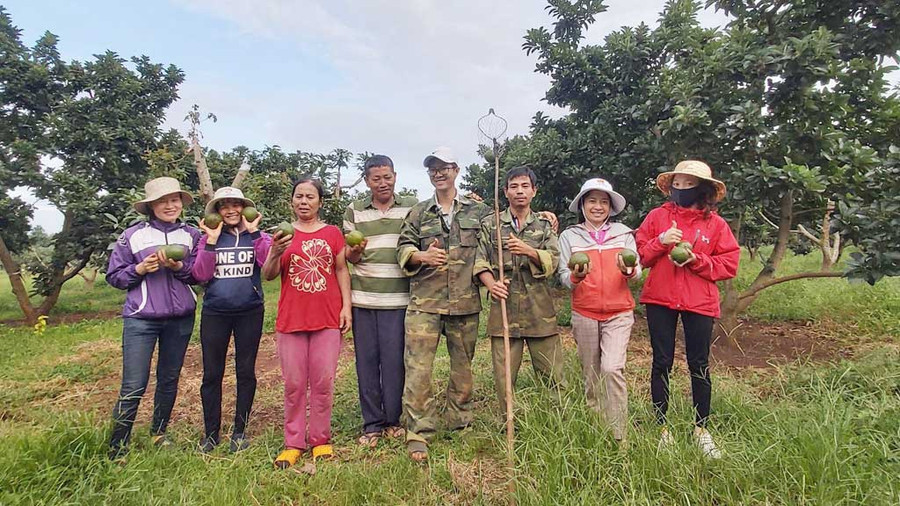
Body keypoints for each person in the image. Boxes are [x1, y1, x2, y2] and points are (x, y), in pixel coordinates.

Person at [635, 160, 740, 458]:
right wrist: (661, 242)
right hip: (660, 298)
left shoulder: (715, 224)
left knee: (699, 364)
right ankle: (661, 428)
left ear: (702, 189)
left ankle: (701, 430)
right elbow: (639, 256)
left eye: (688, 184)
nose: (680, 189)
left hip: (700, 301)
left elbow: (729, 264)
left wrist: (696, 260)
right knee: (661, 362)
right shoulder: (657, 217)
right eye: (677, 184)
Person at [396, 146, 491, 462]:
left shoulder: (479, 211)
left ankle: (459, 421)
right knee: (418, 369)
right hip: (425, 303)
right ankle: (418, 431)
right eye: (433, 169)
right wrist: (421, 256)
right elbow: (403, 247)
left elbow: (500, 233)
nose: (439, 173)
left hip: (464, 303)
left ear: (456, 170)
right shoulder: (419, 212)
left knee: (463, 368)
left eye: (444, 167)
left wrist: (545, 218)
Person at [105, 176, 201, 460]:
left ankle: (159, 432)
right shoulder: (133, 235)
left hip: (181, 318)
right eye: (162, 201)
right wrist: (139, 270)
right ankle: (118, 445)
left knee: (169, 378)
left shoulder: (192, 235)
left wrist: (179, 267)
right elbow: (114, 276)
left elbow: (198, 274)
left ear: (181, 203)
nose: (170, 206)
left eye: (174, 200)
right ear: (151, 206)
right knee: (134, 383)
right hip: (142, 320)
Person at [262, 178, 352, 470]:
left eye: (310, 196)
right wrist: (275, 251)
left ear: (320, 202)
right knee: (294, 384)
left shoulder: (332, 233)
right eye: (299, 196)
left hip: (327, 317)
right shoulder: (282, 235)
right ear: (292, 201)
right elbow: (268, 275)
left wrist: (346, 307)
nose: (304, 201)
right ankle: (293, 443)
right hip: (291, 319)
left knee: (323, 382)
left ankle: (320, 439)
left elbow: (341, 269)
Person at [473, 166, 563, 416]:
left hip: (539, 311)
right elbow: (479, 260)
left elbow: (554, 261)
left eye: (525, 186)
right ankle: (509, 423)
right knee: (504, 378)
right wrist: (491, 284)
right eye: (514, 186)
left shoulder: (544, 224)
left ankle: (556, 424)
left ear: (534, 191)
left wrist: (529, 251)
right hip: (504, 311)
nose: (519, 191)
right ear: (505, 192)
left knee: (552, 376)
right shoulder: (491, 224)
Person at [558, 178, 641, 444]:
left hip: (619, 312)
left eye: (603, 202)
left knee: (612, 368)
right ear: (582, 204)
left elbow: (636, 272)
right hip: (585, 312)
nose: (598, 206)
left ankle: (619, 435)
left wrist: (629, 271)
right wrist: (576, 277)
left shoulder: (623, 234)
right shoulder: (570, 236)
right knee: (591, 374)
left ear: (610, 207)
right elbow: (563, 277)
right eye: (592, 201)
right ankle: (597, 428)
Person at [343, 155, 418, 448]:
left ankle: (393, 421)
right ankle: (372, 424)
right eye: (376, 179)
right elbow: (349, 257)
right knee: (366, 363)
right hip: (364, 299)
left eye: (387, 177)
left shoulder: (411, 206)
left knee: (395, 362)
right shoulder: (355, 210)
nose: (383, 183)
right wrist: (355, 251)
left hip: (399, 299)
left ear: (395, 176)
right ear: (366, 181)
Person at [192, 187, 272, 453]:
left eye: (235, 204)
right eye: (224, 206)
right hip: (215, 312)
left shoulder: (258, 236)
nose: (230, 210)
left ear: (244, 207)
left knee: (245, 371)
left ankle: (240, 431)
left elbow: (268, 265)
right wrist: (212, 240)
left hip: (250, 311)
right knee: (212, 373)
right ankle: (211, 434)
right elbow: (201, 275)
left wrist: (254, 232)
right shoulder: (207, 239)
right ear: (217, 211)